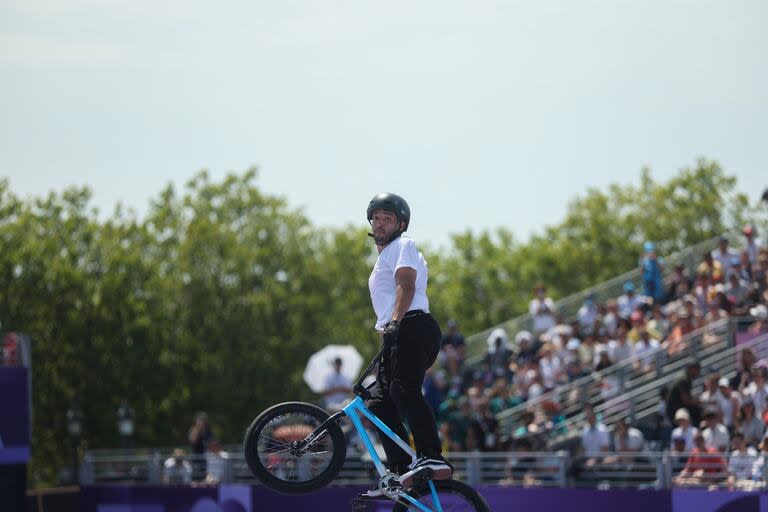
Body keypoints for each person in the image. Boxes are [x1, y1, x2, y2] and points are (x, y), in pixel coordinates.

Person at [362, 192, 452, 496]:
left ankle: (432, 456)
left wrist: (396, 323)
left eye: (387, 218)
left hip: (413, 325)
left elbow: (407, 285)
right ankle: (401, 467)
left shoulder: (403, 246)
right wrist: (385, 347)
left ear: (400, 224)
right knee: (377, 404)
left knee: (403, 389)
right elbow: (384, 313)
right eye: (376, 218)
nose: (380, 223)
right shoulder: (380, 263)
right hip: (398, 331)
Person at [666, 362, 702, 428]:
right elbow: (686, 400)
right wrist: (700, 402)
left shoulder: (686, 378)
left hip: (677, 408)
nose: (698, 373)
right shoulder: (684, 379)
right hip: (675, 410)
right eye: (697, 370)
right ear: (691, 369)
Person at [188, 412, 214, 480]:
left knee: (206, 477)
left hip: (207, 458)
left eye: (204, 420)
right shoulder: (193, 430)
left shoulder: (208, 431)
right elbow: (193, 441)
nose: (203, 422)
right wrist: (198, 429)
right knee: (197, 477)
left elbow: (211, 442)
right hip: (197, 457)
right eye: (201, 420)